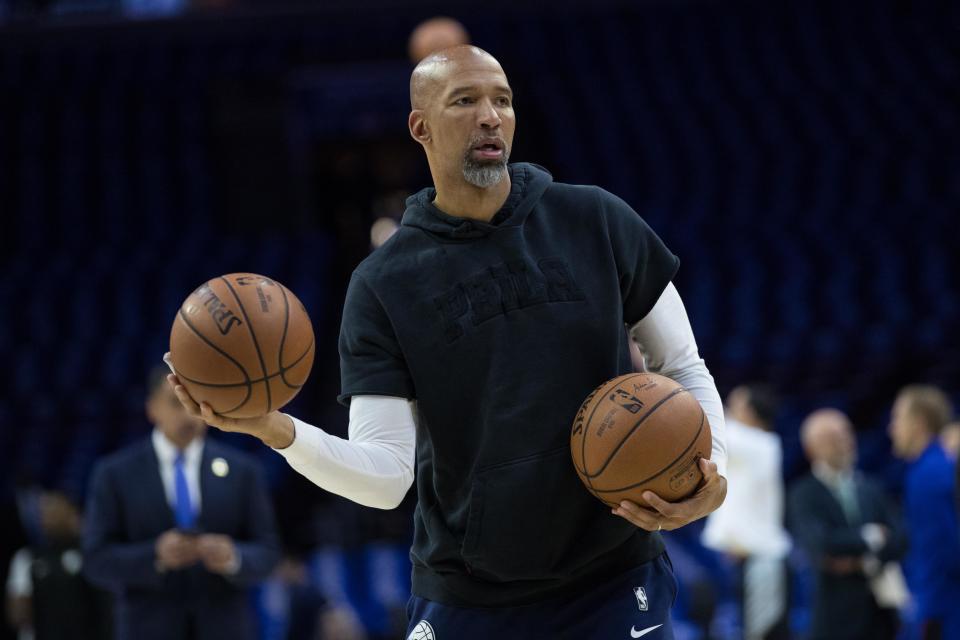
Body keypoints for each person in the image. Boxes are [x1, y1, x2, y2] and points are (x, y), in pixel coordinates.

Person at [168, 45, 727, 639]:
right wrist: (271, 428)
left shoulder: (597, 220)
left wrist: (708, 470)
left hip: (612, 579)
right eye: (465, 101)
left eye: (502, 101)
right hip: (468, 596)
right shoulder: (382, 285)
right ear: (421, 126)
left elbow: (683, 367)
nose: (490, 116)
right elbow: (386, 479)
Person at [82, 368, 281, 640]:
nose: (189, 414)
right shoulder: (114, 473)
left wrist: (233, 557)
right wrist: (156, 556)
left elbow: (268, 552)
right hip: (147, 628)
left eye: (197, 404)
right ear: (152, 409)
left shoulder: (244, 471)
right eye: (177, 403)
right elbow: (96, 560)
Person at [788, 409, 906, 640]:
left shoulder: (871, 487)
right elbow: (822, 544)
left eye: (846, 433)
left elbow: (901, 539)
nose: (844, 441)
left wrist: (860, 561)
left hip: (880, 617)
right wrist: (872, 537)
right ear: (811, 448)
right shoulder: (803, 493)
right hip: (834, 619)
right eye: (833, 437)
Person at [702, 385, 790, 640]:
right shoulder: (752, 444)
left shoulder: (760, 443)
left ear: (752, 413)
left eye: (735, 406)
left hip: (761, 561)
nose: (728, 411)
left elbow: (708, 425)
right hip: (741, 559)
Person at [889, 385, 960, 640]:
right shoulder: (941, 465)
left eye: (897, 418)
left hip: (942, 608)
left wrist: (924, 611)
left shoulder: (928, 474)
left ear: (918, 422)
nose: (892, 428)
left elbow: (942, 550)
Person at [5, 490, 111, 640]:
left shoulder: (92, 556)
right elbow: (17, 617)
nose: (47, 518)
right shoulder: (27, 558)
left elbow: (106, 610)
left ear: (74, 514)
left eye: (54, 510)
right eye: (44, 512)